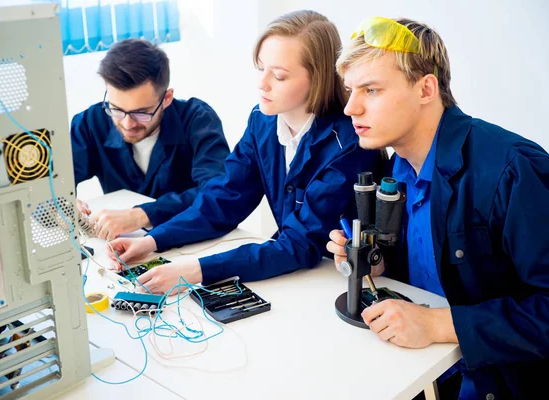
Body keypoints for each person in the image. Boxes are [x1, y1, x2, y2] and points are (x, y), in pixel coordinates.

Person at [327, 16, 549, 399]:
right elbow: (441, 269)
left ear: (426, 88)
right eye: (350, 91)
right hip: (418, 373)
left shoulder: (511, 169)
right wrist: (379, 263)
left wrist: (438, 325)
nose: (350, 108)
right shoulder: (395, 169)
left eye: (372, 90)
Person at [107, 10, 384, 293]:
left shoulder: (349, 143)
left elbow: (301, 244)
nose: (261, 84)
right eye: (260, 68)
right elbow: (225, 199)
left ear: (318, 78)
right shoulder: (262, 121)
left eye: (278, 76)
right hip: (295, 274)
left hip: (349, 282)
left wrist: (195, 270)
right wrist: (151, 241)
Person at [71, 39, 230, 240]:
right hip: (120, 248)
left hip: (191, 242)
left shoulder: (197, 119)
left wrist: (142, 215)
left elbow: (217, 193)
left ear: (167, 98)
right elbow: (50, 186)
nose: (128, 124)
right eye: (117, 110)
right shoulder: (89, 123)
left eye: (141, 113)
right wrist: (63, 203)